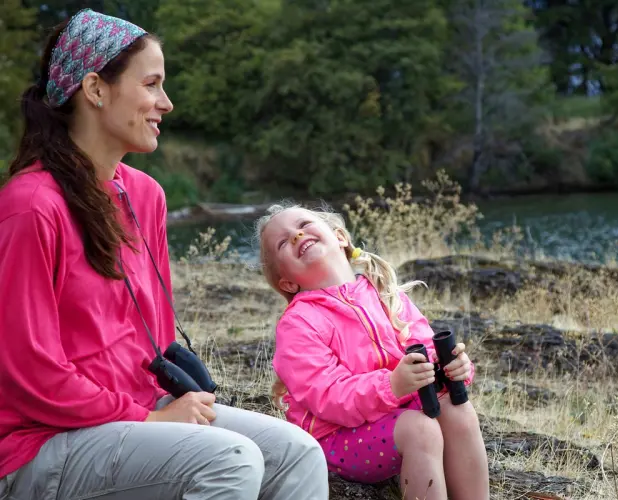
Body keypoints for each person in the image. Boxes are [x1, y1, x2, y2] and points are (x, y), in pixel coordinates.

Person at [0, 9, 327, 500]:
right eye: (152, 84)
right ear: (95, 89)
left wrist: (159, 409)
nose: (166, 103)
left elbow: (150, 341)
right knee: (228, 461)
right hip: (42, 442)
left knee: (298, 452)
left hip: (137, 413)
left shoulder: (146, 196)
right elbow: (29, 372)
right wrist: (149, 419)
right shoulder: (30, 207)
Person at [256, 203, 491, 500]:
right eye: (282, 242)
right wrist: (392, 385)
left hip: (394, 413)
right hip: (336, 436)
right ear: (288, 281)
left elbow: (426, 349)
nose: (297, 235)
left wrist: (452, 369)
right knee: (420, 430)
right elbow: (327, 396)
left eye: (303, 223)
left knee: (459, 410)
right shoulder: (298, 323)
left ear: (339, 237)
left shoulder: (384, 293)